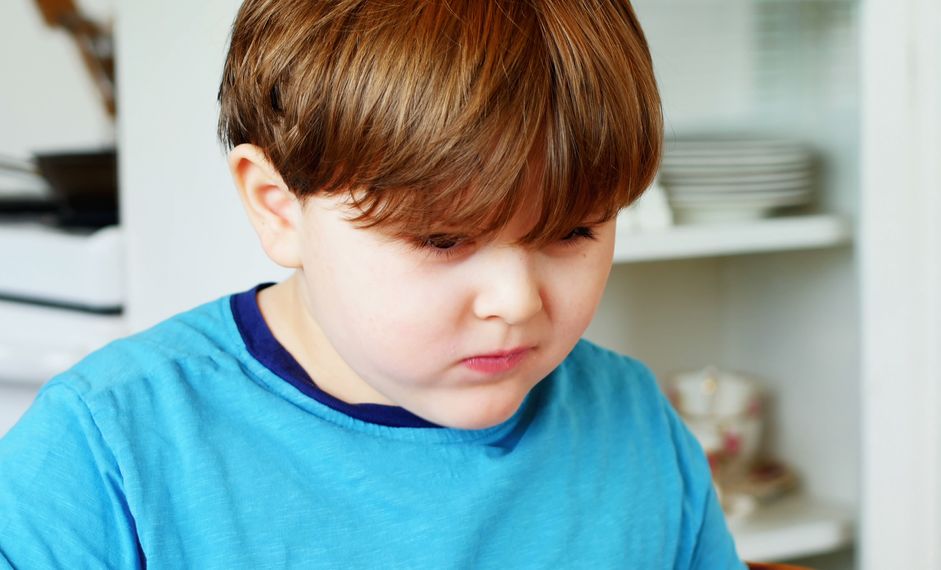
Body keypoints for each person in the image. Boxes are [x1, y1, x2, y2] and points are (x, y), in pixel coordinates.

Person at [0, 1, 745, 567]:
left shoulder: (635, 426)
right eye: (442, 238)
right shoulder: (106, 451)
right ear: (278, 206)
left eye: (576, 230)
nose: (517, 302)